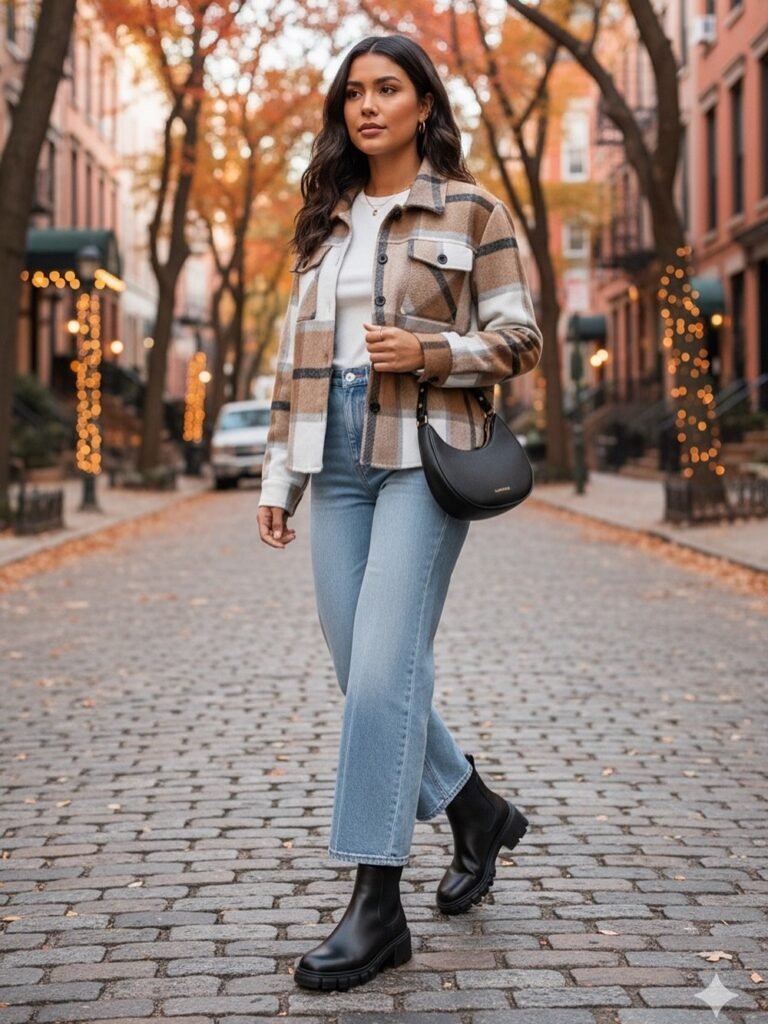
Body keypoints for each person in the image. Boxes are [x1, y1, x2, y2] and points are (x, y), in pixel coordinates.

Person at [256, 32, 543, 992]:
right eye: (353, 94)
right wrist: (276, 480)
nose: (368, 106)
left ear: (425, 103)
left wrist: (430, 353)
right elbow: (295, 359)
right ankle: (474, 808)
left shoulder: (474, 208)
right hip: (333, 455)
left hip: (423, 450)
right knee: (358, 668)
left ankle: (375, 905)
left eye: (389, 89)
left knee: (386, 670)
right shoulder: (325, 220)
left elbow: (518, 336)